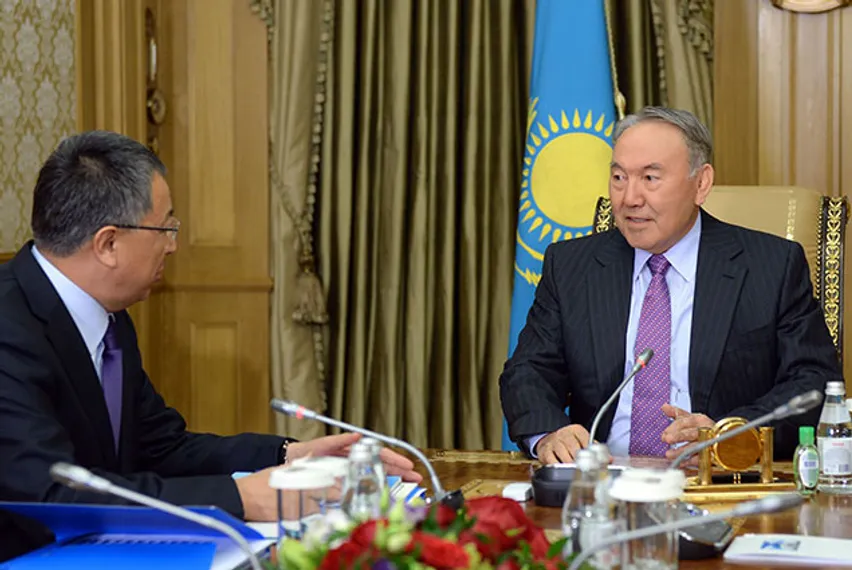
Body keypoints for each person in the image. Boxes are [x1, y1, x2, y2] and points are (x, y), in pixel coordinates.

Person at [0, 131, 421, 560]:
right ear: (108, 244)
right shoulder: (9, 329)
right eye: (165, 228)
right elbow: (50, 495)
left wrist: (287, 457)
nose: (173, 245)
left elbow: (162, 447)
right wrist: (242, 497)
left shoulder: (108, 316)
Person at [500, 107, 842, 465]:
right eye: (618, 177)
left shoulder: (770, 266)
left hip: (716, 479)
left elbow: (814, 382)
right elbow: (528, 372)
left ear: (701, 184)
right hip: (602, 479)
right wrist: (549, 434)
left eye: (650, 178)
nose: (629, 198)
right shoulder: (571, 266)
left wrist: (731, 435)